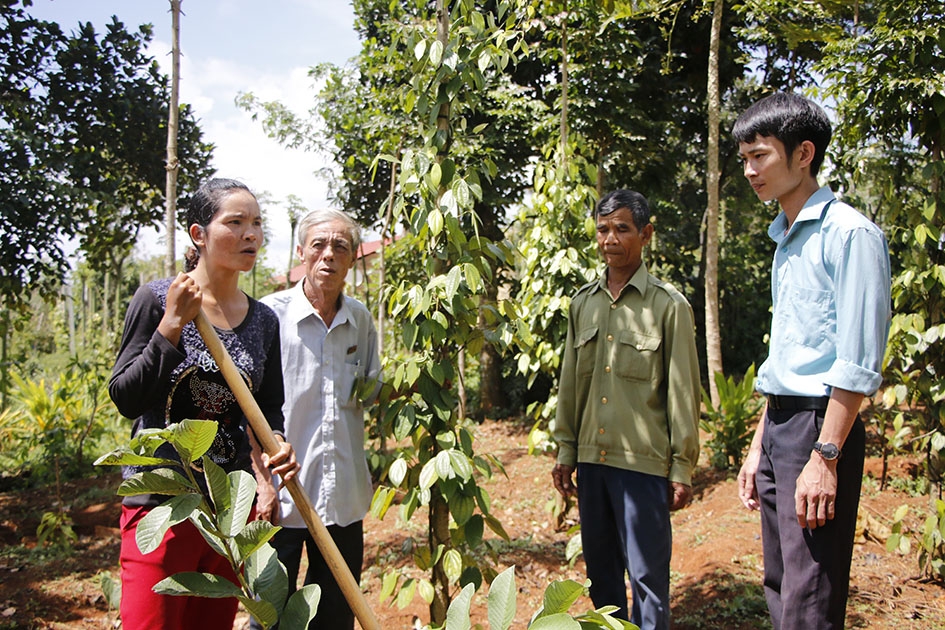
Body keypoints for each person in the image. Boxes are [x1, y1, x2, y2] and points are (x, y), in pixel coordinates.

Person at [109, 178, 299, 630]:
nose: (251, 234)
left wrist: (277, 442)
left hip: (226, 508)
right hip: (161, 500)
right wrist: (171, 325)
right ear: (199, 234)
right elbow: (125, 396)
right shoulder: (158, 299)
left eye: (256, 223)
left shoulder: (263, 320)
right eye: (235, 223)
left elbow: (267, 408)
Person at [734, 92, 891, 629]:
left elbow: (857, 360)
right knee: (780, 589)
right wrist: (760, 447)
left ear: (804, 154)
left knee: (810, 602)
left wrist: (825, 457)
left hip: (820, 430)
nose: (750, 170)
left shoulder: (849, 235)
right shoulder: (785, 240)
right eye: (745, 159)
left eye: (761, 156)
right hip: (781, 427)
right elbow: (787, 356)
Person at [551, 189, 701, 629]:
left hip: (643, 468)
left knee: (648, 579)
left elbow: (682, 392)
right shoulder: (583, 304)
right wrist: (565, 450)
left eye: (622, 228)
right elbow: (570, 385)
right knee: (601, 581)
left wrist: (682, 467)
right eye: (602, 229)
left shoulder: (668, 306)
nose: (610, 239)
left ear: (645, 234)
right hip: (592, 464)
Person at [252, 208, 381, 630]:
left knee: (335, 617)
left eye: (340, 247)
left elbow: (372, 388)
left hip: (343, 495)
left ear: (353, 257)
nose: (329, 255)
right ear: (301, 252)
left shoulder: (360, 319)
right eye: (319, 245)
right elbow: (247, 407)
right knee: (270, 615)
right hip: (283, 498)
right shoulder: (268, 317)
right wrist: (262, 484)